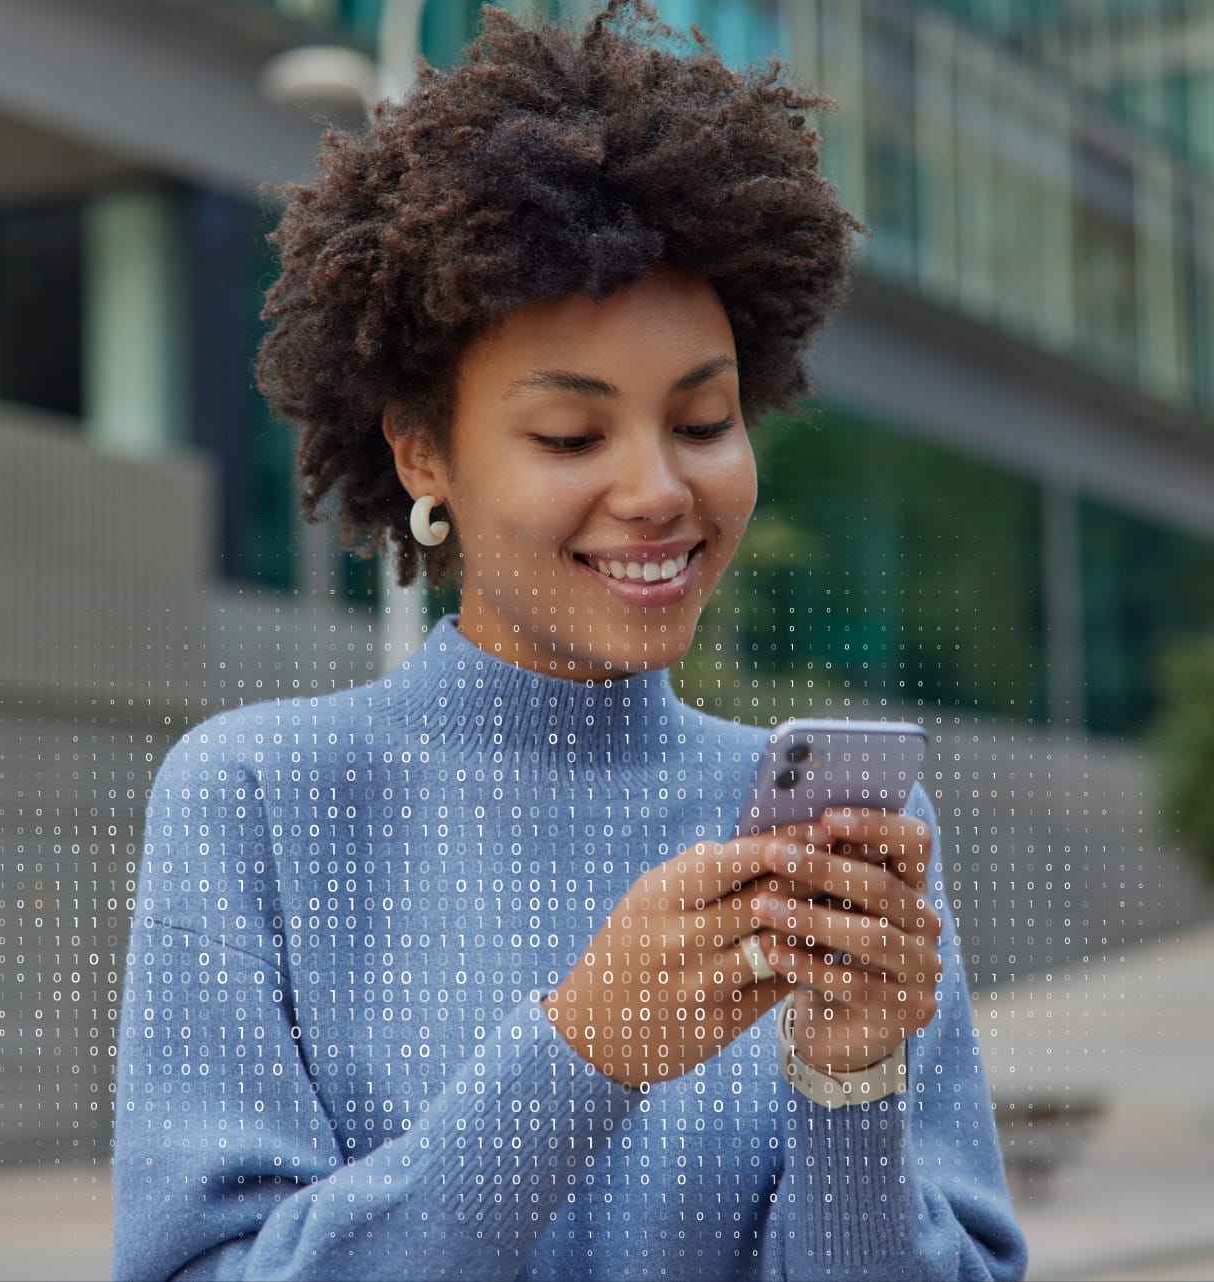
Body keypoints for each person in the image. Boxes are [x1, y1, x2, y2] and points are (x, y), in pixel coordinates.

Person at [111, 2, 1028, 1278]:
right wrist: (583, 1052)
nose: (657, 489)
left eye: (702, 421)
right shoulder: (257, 803)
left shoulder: (828, 840)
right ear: (421, 448)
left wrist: (850, 1085)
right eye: (568, 436)